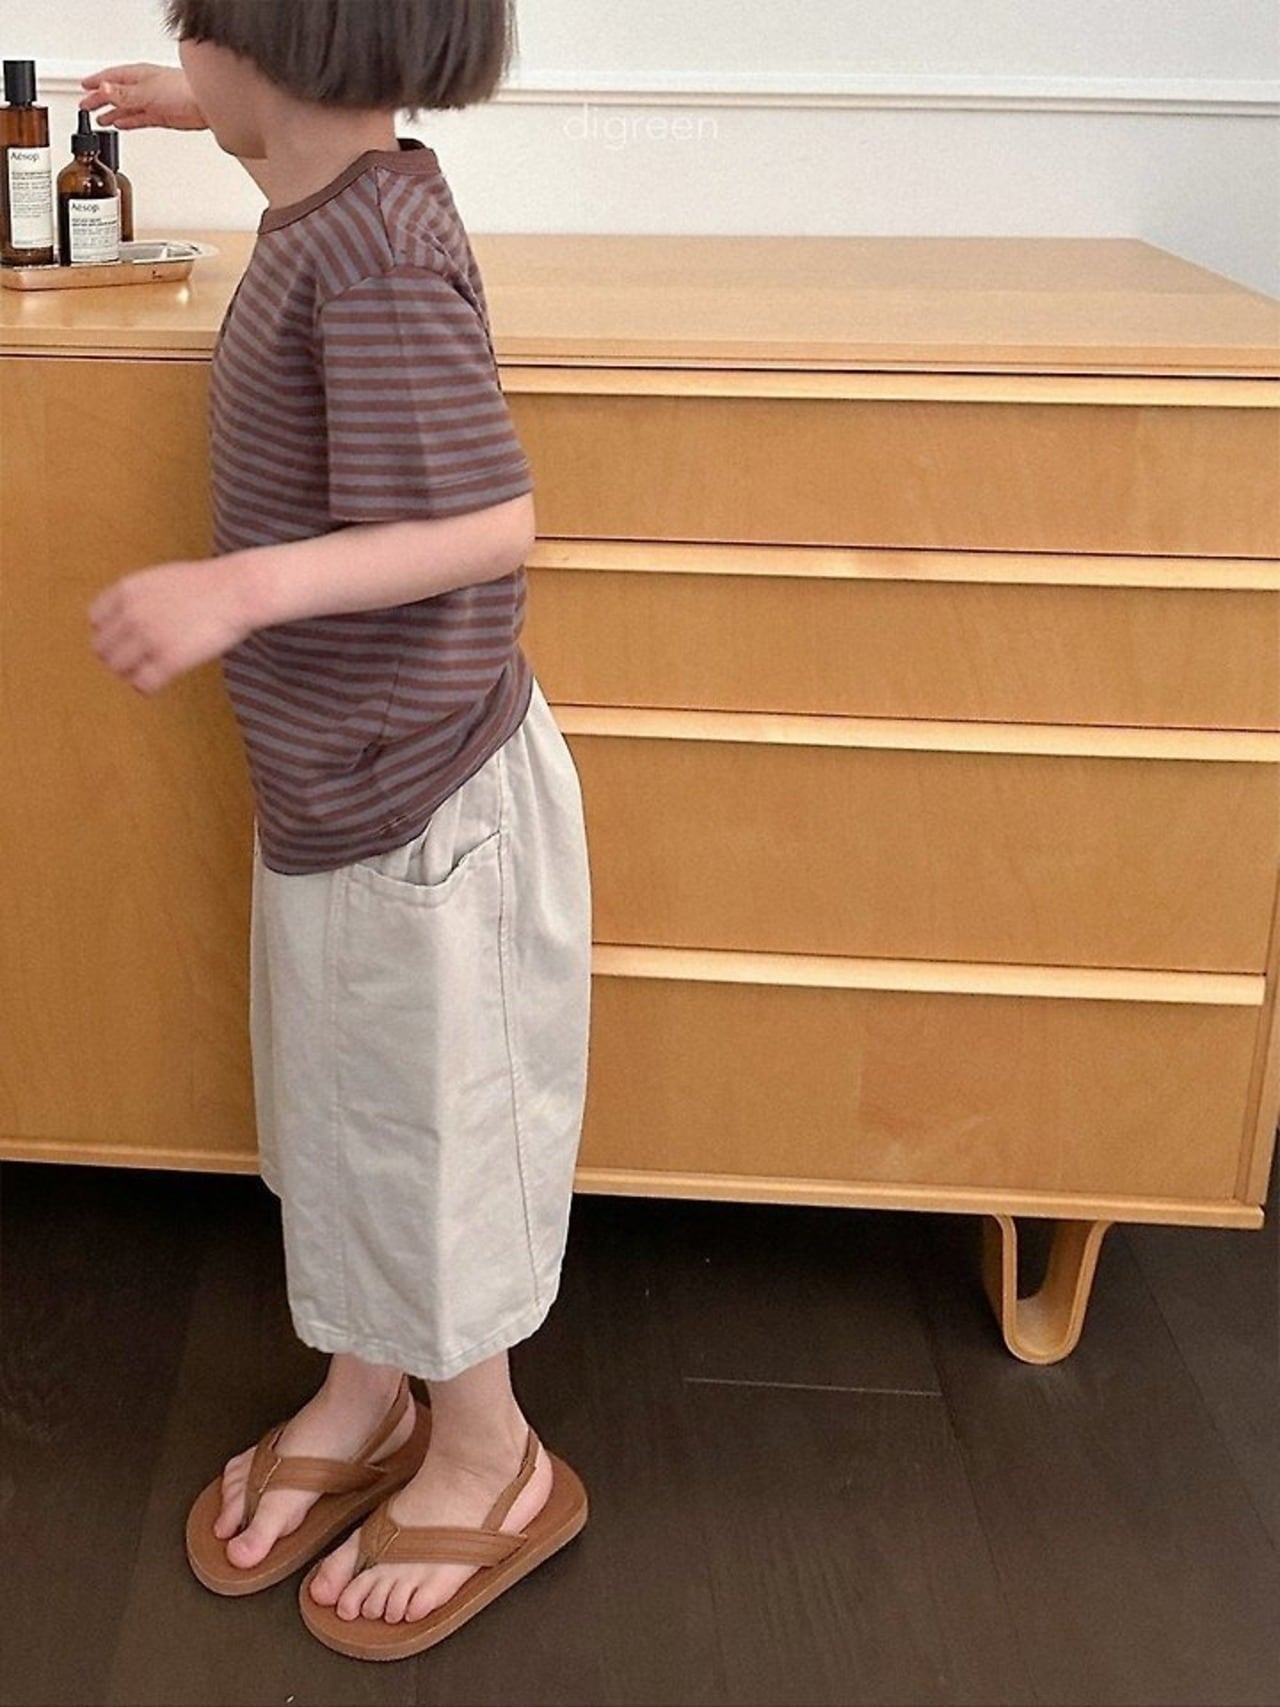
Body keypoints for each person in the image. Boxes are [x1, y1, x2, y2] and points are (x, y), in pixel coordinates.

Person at [82, 0, 592, 1663]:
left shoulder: (368, 257)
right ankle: (372, 1391)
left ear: (277, 56)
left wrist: (241, 589)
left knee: (426, 1138)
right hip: (341, 782)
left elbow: (494, 522)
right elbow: (287, 116)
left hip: (420, 800)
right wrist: (196, 108)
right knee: (350, 1114)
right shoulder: (329, 190)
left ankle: (492, 1454)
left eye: (197, 33)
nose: (185, 52)